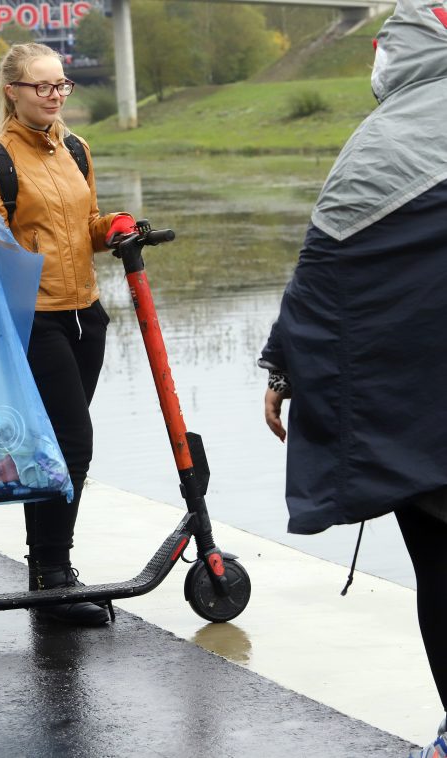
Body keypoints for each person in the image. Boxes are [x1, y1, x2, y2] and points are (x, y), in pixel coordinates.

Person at [260, 3, 447, 756]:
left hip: (416, 416)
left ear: (396, 55)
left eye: (379, 48)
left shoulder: (382, 146)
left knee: (439, 566)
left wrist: (283, 363)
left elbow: (328, 275)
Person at [0, 42, 136, 626]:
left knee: (52, 449)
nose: (56, 95)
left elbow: (84, 225)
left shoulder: (77, 149)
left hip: (87, 315)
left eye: (62, 85)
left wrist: (118, 227)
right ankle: (54, 580)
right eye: (43, 86)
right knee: (71, 443)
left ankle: (46, 578)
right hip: (33, 321)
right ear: (13, 91)